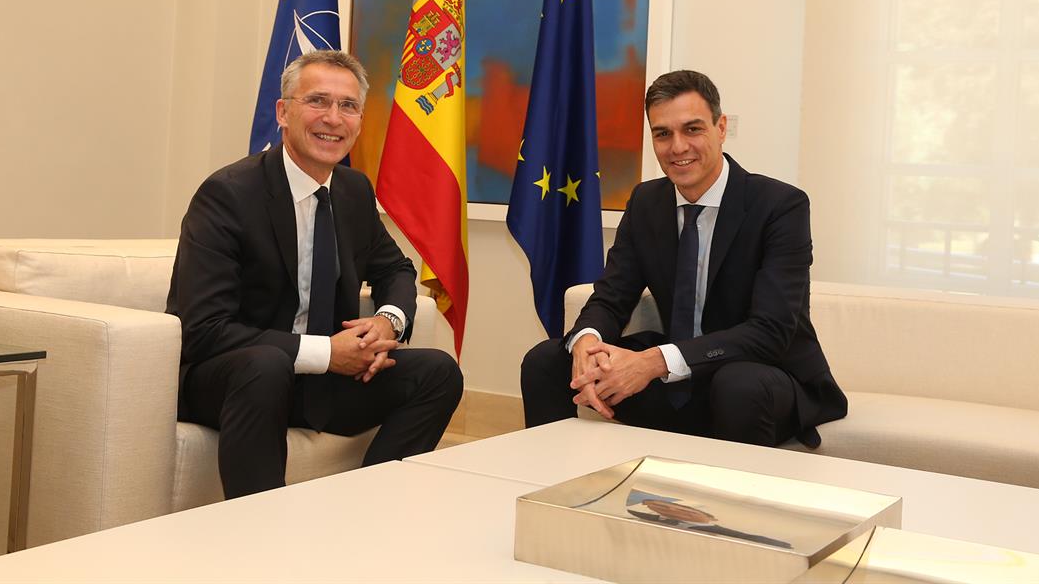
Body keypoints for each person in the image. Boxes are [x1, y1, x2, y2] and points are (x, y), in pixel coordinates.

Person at [167, 50, 463, 498]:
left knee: (438, 371)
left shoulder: (352, 190)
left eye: (348, 106)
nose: (333, 118)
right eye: (317, 101)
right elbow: (204, 330)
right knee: (266, 366)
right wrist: (327, 353)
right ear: (284, 112)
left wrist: (387, 323)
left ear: (360, 121)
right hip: (234, 378)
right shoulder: (227, 194)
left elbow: (396, 269)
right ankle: (259, 540)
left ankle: (368, 506)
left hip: (319, 382)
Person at [520, 70, 846, 448]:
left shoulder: (780, 205)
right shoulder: (646, 202)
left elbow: (770, 331)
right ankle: (553, 488)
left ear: (720, 128)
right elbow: (611, 296)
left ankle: (731, 505)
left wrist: (653, 362)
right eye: (662, 134)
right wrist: (586, 343)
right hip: (678, 376)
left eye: (692, 129)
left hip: (758, 374)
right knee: (547, 360)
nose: (677, 147)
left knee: (737, 385)